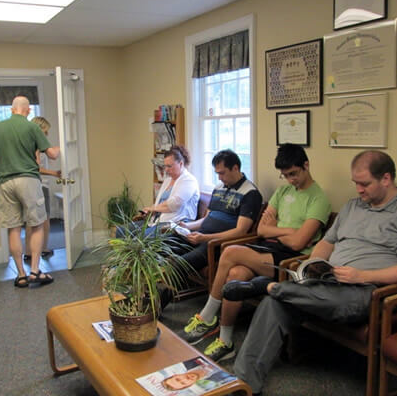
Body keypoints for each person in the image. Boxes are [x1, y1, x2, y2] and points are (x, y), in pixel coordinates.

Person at [223, 150, 397, 396]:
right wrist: (313, 264)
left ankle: (269, 286)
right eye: (355, 183)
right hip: (326, 281)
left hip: (363, 290)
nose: (358, 190)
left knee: (282, 295)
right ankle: (246, 389)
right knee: (275, 304)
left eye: (364, 184)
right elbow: (327, 242)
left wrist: (363, 274)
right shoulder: (352, 206)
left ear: (386, 178)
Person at [181, 143, 331, 362]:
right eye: (285, 175)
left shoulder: (318, 199)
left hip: (292, 260)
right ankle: (226, 341)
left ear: (306, 165)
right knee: (235, 276)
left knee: (230, 252)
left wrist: (277, 230)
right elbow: (262, 229)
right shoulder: (283, 190)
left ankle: (206, 316)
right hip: (270, 248)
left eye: (293, 174)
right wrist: (288, 230)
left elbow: (299, 243)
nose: (290, 180)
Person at [0, 96, 60, 288]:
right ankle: (35, 271)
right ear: (27, 111)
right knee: (36, 225)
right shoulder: (32, 128)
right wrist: (60, 148)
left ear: (12, 110)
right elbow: (51, 155)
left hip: (5, 181)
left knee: (14, 228)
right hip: (27, 180)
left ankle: (20, 275)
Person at [170, 149, 263, 280]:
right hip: (199, 237)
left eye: (222, 173)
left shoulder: (250, 193)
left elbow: (240, 231)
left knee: (177, 265)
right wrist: (186, 226)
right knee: (164, 245)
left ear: (235, 168)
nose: (219, 177)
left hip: (217, 244)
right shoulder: (219, 187)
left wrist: (205, 238)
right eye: (217, 173)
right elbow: (206, 219)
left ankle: (156, 296)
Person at [116, 145, 199, 237]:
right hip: (156, 220)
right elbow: (160, 203)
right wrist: (150, 210)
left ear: (181, 164)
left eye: (169, 166)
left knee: (140, 240)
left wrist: (153, 209)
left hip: (173, 223)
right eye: (165, 166)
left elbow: (175, 204)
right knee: (121, 231)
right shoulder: (167, 180)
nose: (166, 170)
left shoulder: (189, 180)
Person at [24, 117, 61, 262]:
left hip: (30, 186)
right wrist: (55, 173)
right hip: (39, 185)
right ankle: (43, 249)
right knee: (44, 221)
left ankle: (28, 251)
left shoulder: (28, 143)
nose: (46, 135)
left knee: (31, 221)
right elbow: (37, 167)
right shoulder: (36, 145)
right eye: (45, 132)